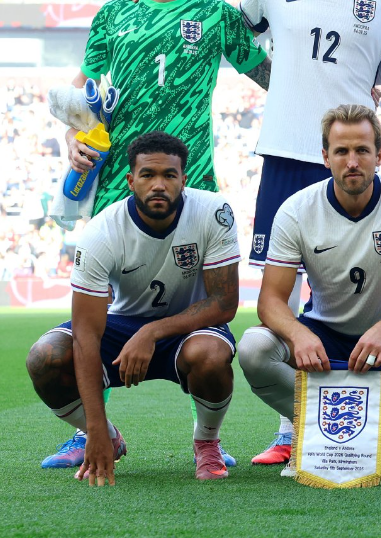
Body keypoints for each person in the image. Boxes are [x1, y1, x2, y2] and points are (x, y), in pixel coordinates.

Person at [47, 0, 269, 469]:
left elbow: (271, 76)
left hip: (193, 189)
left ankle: (207, 438)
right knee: (92, 316)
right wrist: (72, 137)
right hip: (120, 190)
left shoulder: (216, 15)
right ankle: (93, 430)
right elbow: (81, 94)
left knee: (205, 325)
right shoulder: (113, 14)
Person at [238, 0, 381, 466]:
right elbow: (235, 33)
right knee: (284, 293)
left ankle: (373, 414)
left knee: (348, 277)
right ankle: (292, 427)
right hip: (287, 152)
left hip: (350, 157)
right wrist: (278, 81)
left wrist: (365, 83)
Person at [238, 105, 381, 480]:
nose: (353, 161)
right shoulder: (296, 210)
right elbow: (270, 301)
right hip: (323, 338)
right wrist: (298, 334)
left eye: (362, 150)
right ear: (325, 157)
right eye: (341, 151)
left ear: (380, 154)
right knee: (253, 347)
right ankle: (310, 431)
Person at [26, 132, 242, 484]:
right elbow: (85, 333)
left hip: (191, 329)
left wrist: (152, 332)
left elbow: (225, 302)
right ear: (130, 181)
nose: (158, 185)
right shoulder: (101, 232)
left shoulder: (213, 212)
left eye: (169, 175)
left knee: (211, 355)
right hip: (121, 327)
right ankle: (108, 437)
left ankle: (207, 442)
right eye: (147, 175)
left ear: (184, 180)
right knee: (45, 356)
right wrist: (96, 429)